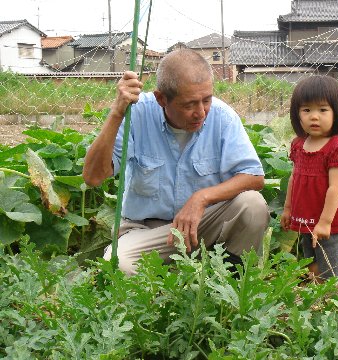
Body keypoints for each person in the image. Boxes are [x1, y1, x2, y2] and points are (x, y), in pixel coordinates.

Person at [82, 49, 270, 275]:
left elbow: (254, 176)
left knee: (253, 205)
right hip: (146, 232)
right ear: (161, 98)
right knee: (117, 266)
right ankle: (182, 276)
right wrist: (116, 113)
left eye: (206, 100)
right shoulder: (136, 113)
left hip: (202, 226)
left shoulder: (222, 117)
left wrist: (201, 198)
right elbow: (93, 177)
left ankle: (227, 283)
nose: (201, 112)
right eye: (189, 104)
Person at [280, 76, 338, 282]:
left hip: (333, 222)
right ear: (297, 114)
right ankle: (316, 297)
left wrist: (325, 223)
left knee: (331, 268)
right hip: (307, 218)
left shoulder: (336, 148)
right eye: (306, 110)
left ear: (337, 113)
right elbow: (294, 178)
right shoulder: (299, 144)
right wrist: (288, 209)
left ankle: (332, 300)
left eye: (323, 110)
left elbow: (336, 188)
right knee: (311, 261)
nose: (314, 117)